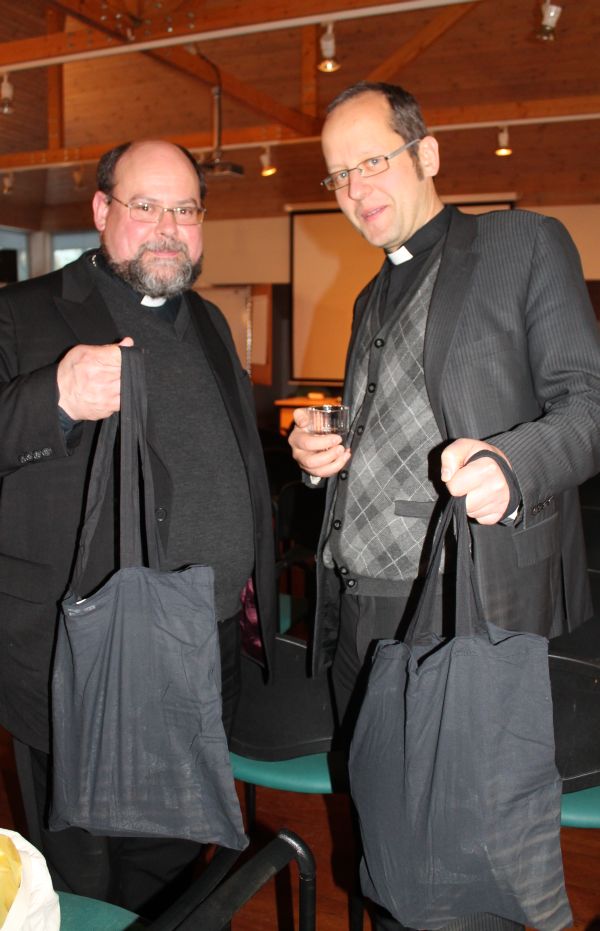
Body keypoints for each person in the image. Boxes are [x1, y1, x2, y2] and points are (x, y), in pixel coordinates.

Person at [289, 81, 600, 931]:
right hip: (358, 615)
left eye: (372, 160)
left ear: (426, 154)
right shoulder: (369, 295)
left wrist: (512, 464)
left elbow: (589, 400)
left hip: (462, 607)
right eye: (338, 174)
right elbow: (388, 429)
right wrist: (322, 459)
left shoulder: (522, 244)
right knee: (387, 858)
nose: (354, 188)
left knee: (461, 873)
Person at [0, 139, 277, 916]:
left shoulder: (209, 320)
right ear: (101, 210)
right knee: (86, 876)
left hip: (204, 643)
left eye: (185, 209)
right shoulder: (21, 312)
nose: (168, 228)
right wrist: (53, 396)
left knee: (174, 861)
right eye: (145, 206)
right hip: (84, 652)